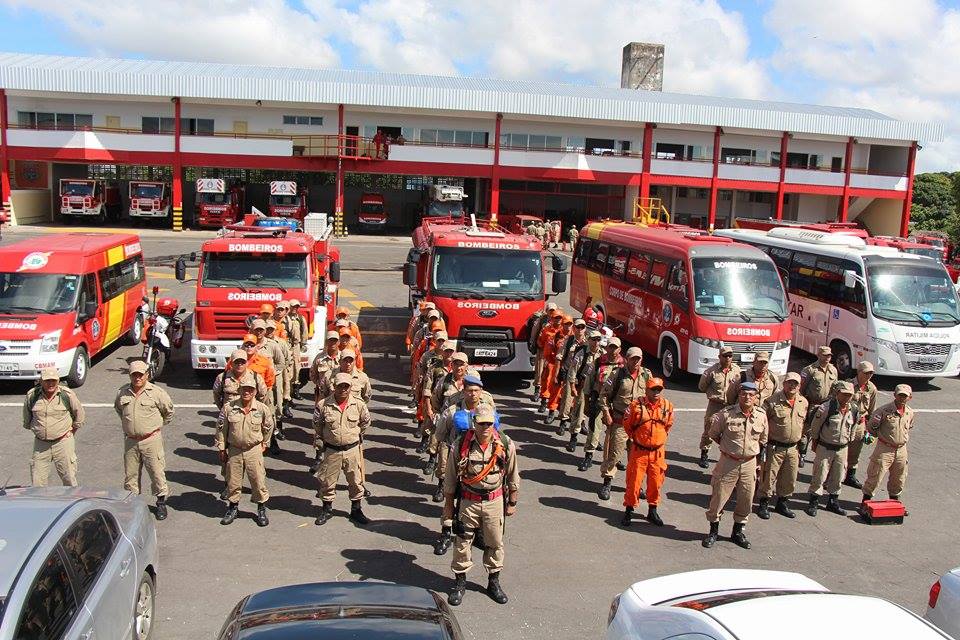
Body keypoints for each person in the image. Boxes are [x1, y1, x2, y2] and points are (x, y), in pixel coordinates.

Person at [443, 406, 519, 607]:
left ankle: (493, 583)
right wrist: (449, 509)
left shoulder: (504, 443)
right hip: (468, 502)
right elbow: (450, 480)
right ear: (474, 423)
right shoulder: (461, 445)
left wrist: (512, 501)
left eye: (489, 423)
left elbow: (513, 474)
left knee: (495, 543)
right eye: (481, 423)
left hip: (494, 502)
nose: (485, 427)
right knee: (462, 543)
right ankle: (459, 584)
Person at [430, 374, 496, 552]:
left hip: (478, 462)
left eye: (476, 391)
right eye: (469, 391)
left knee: (477, 499)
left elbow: (494, 433)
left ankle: (478, 534)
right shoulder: (452, 410)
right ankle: (445, 533)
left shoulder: (487, 409)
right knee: (450, 498)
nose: (473, 394)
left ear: (480, 391)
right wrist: (454, 451)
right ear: (464, 391)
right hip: (457, 460)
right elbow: (440, 434)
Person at [702, 382, 767, 550]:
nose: (747, 397)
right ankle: (713, 532)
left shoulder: (761, 415)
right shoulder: (726, 415)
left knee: (746, 499)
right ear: (739, 396)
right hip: (728, 462)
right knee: (718, 498)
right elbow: (714, 434)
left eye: (751, 395)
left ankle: (737, 532)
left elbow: (763, 439)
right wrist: (729, 449)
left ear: (755, 397)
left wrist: (756, 461)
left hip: (749, 463)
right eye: (744, 394)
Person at [114, 360, 175, 520]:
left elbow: (168, 411)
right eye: (134, 375)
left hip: (151, 440)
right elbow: (119, 409)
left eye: (140, 375)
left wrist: (155, 426)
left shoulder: (156, 392)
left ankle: (161, 503)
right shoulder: (122, 392)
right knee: (131, 475)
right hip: (131, 441)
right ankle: (133, 505)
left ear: (147, 375)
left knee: (156, 472)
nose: (137, 378)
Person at [313, 372, 372, 526]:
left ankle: (356, 510)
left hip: (352, 450)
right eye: (340, 386)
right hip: (332, 450)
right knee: (327, 482)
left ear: (350, 387)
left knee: (355, 481)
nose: (343, 389)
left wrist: (353, 435)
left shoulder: (359, 405)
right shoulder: (323, 405)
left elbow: (365, 422)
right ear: (334, 387)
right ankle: (327, 509)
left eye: (346, 386)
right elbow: (317, 425)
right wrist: (326, 439)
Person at [597, 346, 652, 501]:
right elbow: (604, 396)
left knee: (636, 458)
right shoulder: (617, 374)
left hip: (639, 424)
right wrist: (607, 413)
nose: (636, 361)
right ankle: (607, 482)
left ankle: (635, 485)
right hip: (620, 422)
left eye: (638, 358)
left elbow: (653, 398)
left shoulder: (647, 375)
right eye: (633, 358)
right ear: (626, 359)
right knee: (614, 454)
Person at [217, 378, 274, 527]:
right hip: (234, 450)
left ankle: (261, 508)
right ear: (239, 390)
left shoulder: (262, 409)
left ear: (255, 391)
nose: (247, 392)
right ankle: (233, 508)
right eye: (244, 389)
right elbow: (221, 429)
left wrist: (265, 443)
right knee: (233, 481)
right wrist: (222, 448)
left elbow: (268, 426)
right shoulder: (229, 408)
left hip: (253, 450)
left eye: (250, 389)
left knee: (258, 481)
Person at [621, 377, 674, 527]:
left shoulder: (667, 406)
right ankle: (629, 509)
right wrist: (639, 439)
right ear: (646, 390)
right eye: (653, 389)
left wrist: (658, 440)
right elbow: (627, 425)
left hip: (657, 452)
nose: (656, 392)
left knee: (656, 483)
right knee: (634, 482)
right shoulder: (635, 406)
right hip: (640, 451)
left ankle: (652, 510)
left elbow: (668, 425)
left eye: (659, 389)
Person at [22, 366, 85, 487]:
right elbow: (27, 418)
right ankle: (42, 505)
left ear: (58, 380)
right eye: (47, 381)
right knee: (37, 482)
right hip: (41, 444)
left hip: (63, 442)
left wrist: (71, 432)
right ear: (41, 381)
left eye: (53, 380)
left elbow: (80, 416)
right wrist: (40, 431)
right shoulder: (32, 395)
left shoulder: (67, 395)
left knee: (69, 480)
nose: (51, 383)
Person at [757, 372, 808, 519]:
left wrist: (802, 445)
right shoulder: (772, 401)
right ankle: (764, 503)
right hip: (775, 447)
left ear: (799, 386)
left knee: (789, 477)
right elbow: (762, 422)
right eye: (789, 383)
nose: (792, 386)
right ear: (784, 383)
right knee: (768, 477)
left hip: (793, 448)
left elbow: (803, 425)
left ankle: (782, 503)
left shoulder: (803, 402)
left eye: (795, 384)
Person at [804, 381, 857, 517]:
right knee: (820, 474)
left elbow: (853, 427)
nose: (846, 398)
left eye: (849, 395)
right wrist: (815, 443)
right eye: (844, 394)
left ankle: (833, 501)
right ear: (837, 393)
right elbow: (815, 428)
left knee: (839, 475)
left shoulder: (854, 409)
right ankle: (813, 501)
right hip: (825, 447)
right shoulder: (826, 408)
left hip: (842, 448)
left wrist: (848, 441)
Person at [861, 384, 915, 509]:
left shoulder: (910, 412)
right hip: (885, 448)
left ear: (910, 397)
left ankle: (895, 503)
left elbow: (909, 427)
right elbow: (872, 428)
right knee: (875, 475)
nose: (902, 398)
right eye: (900, 395)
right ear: (894, 395)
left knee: (899, 477)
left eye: (905, 396)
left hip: (901, 449)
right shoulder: (883, 411)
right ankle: (865, 501)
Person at [697, 346, 742, 469]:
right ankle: (704, 454)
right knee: (709, 430)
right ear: (719, 357)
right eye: (725, 356)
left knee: (731, 431)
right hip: (715, 405)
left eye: (730, 356)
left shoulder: (737, 370)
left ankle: (726, 456)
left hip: (730, 405)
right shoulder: (711, 371)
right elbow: (701, 386)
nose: (728, 358)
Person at [799, 345, 838, 468]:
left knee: (823, 432)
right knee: (806, 432)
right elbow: (801, 389)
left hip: (826, 406)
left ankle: (819, 457)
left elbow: (835, 387)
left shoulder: (833, 370)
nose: (828, 358)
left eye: (829, 355)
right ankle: (802, 455)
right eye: (825, 355)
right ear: (819, 355)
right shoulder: (809, 370)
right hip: (812, 404)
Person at [570, 330, 604, 468]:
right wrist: (572, 385)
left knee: (595, 423)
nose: (596, 342)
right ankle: (573, 436)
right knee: (578, 413)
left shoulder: (603, 356)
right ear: (588, 340)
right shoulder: (582, 353)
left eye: (598, 339)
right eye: (593, 339)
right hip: (583, 387)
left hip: (598, 392)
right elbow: (573, 369)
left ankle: (592, 449)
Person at [844, 361, 878, 489]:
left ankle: (850, 476)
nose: (869, 375)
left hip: (860, 424)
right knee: (841, 448)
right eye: (866, 373)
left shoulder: (871, 388)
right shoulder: (849, 385)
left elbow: (871, 410)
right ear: (859, 372)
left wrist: (869, 429)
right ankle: (832, 476)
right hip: (847, 421)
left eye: (871, 373)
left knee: (856, 451)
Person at [554, 317, 586, 435]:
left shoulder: (588, 342)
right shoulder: (569, 340)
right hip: (569, 374)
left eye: (582, 327)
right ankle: (563, 422)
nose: (580, 329)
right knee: (567, 399)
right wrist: (556, 374)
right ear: (574, 328)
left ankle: (581, 423)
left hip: (582, 377)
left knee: (581, 402)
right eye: (577, 327)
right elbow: (559, 356)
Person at [543, 315, 574, 423]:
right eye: (566, 324)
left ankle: (566, 416)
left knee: (569, 393)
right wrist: (552, 364)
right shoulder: (556, 336)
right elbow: (548, 351)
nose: (568, 326)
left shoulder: (575, 338)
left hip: (571, 368)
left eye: (570, 324)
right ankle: (551, 412)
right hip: (557, 366)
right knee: (555, 390)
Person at [528, 302, 558, 397]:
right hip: (542, 349)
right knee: (539, 371)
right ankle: (537, 390)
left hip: (554, 351)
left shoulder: (559, 319)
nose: (552, 312)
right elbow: (534, 331)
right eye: (550, 310)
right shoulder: (542, 320)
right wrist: (532, 342)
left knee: (552, 372)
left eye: (553, 310)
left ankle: (548, 392)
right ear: (546, 311)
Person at [536, 309, 564, 413]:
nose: (558, 320)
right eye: (556, 317)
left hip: (560, 362)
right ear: (552, 318)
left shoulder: (565, 331)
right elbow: (540, 342)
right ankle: (544, 401)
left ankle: (556, 406)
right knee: (545, 381)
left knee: (558, 385)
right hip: (549, 361)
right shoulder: (546, 329)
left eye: (559, 318)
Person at [310, 331, 341, 403]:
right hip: (323, 395)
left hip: (339, 394)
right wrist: (321, 384)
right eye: (330, 340)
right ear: (326, 342)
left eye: (335, 341)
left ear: (339, 342)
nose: (333, 343)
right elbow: (313, 375)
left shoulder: (343, 358)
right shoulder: (319, 358)